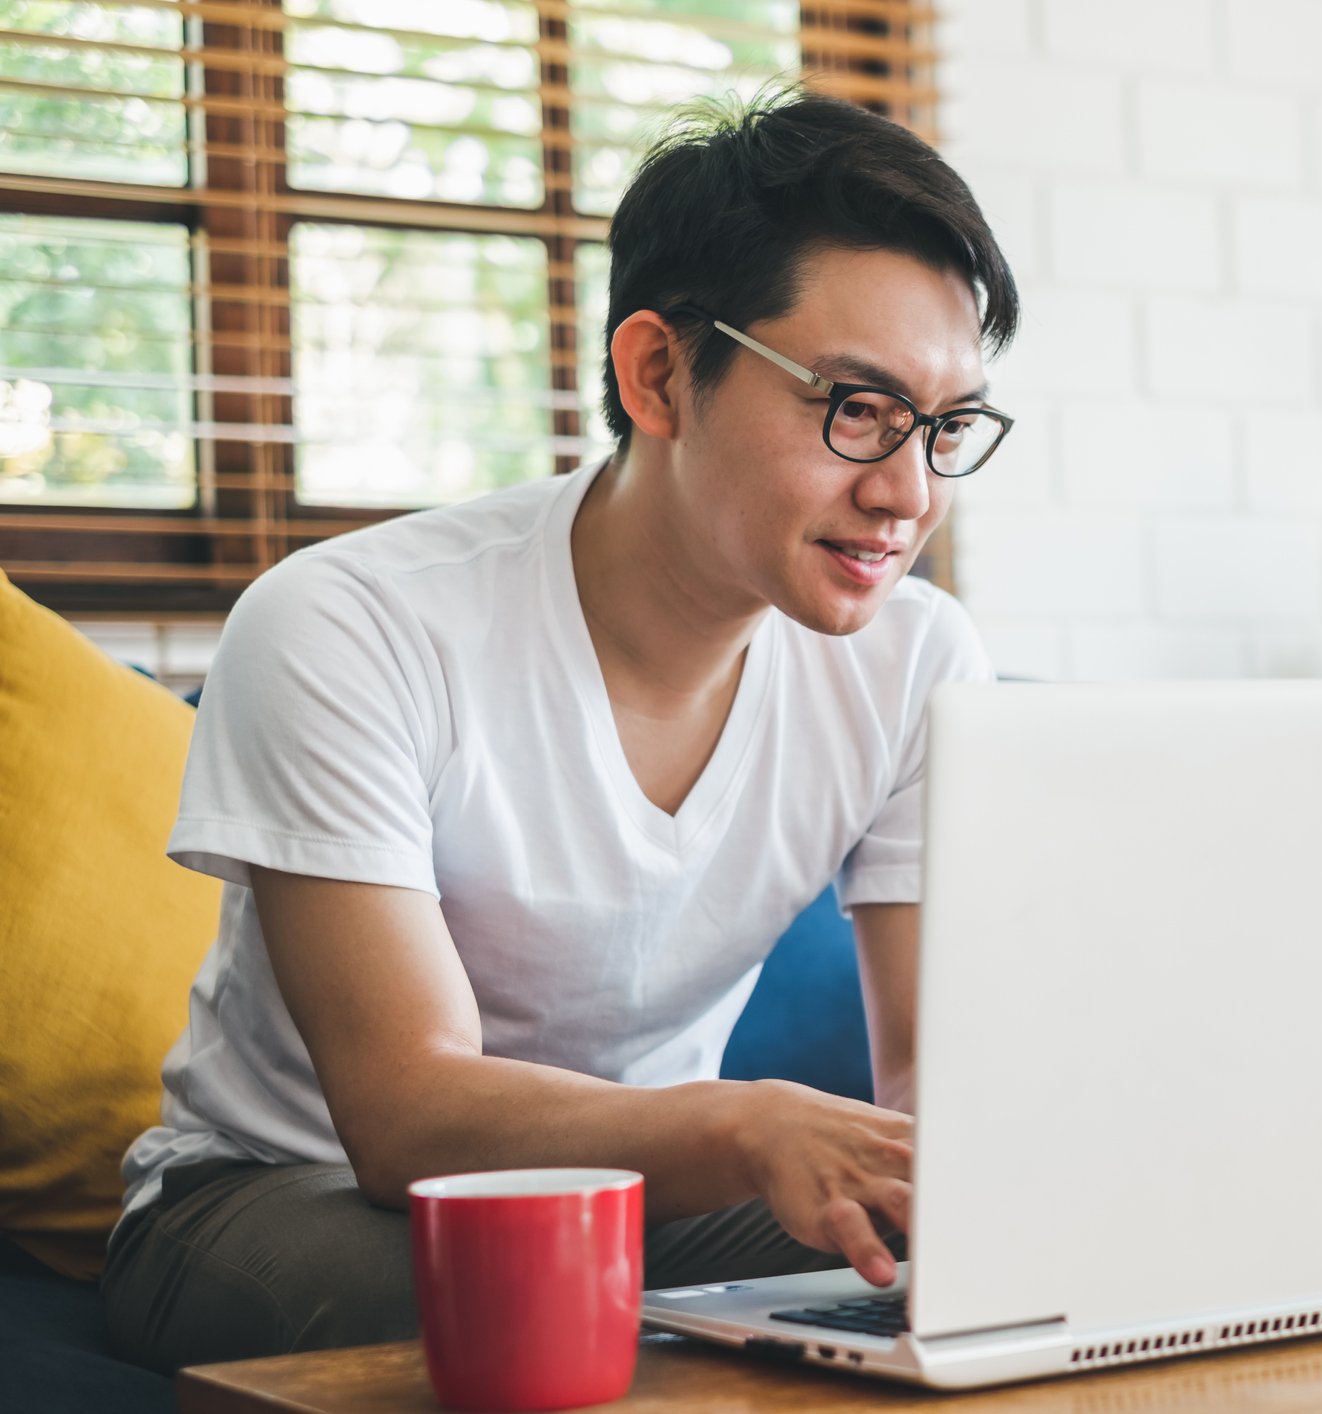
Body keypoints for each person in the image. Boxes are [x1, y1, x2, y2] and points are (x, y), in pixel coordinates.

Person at [101, 89, 1020, 1373]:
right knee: (516, 1298)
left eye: (947, 426)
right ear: (658, 373)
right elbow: (406, 1108)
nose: (908, 493)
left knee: (983, 1263)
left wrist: (979, 1225)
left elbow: (932, 1064)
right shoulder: (350, 622)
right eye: (855, 408)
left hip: (646, 1201)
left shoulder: (919, 659)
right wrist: (754, 1126)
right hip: (277, 1194)